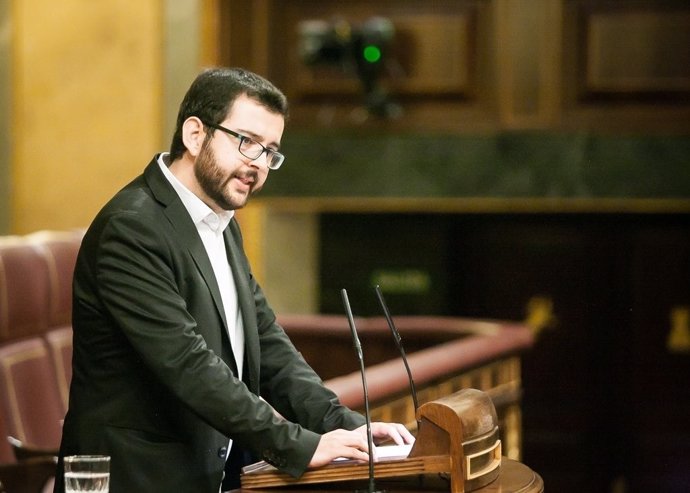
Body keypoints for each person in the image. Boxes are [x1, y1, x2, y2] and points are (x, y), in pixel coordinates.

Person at [54, 67, 414, 493]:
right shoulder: (132, 227)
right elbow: (189, 366)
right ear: (194, 135)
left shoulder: (222, 222)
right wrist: (298, 445)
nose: (258, 165)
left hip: (209, 473)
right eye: (247, 143)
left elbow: (267, 340)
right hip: (139, 479)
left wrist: (349, 426)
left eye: (270, 152)